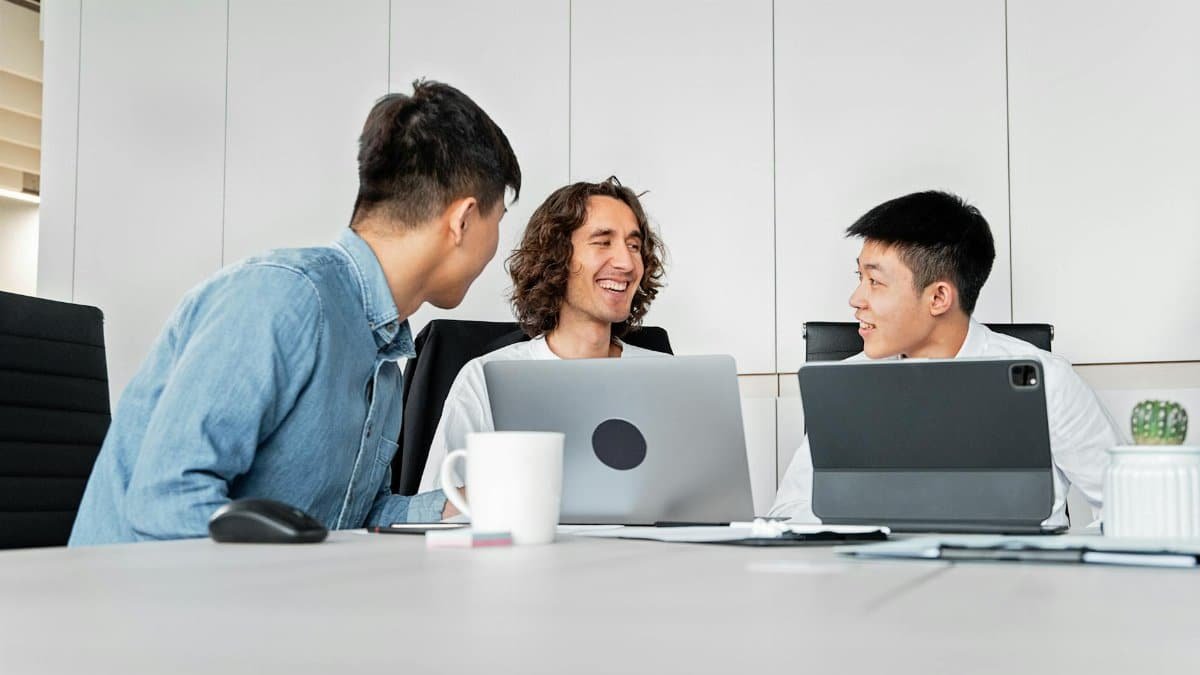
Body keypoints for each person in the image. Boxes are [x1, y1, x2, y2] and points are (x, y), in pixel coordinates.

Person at [70, 80, 521, 544]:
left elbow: (354, 514)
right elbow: (167, 501)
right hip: (137, 604)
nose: (495, 248)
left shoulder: (382, 349)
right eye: (498, 222)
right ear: (463, 220)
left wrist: (466, 502)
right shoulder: (284, 298)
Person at [769, 190, 1122, 527]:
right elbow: (788, 511)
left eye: (875, 282)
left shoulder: (1048, 381)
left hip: (1014, 582)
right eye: (859, 277)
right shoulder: (846, 385)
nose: (856, 299)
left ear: (938, 297)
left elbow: (1128, 507)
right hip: (879, 579)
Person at [419, 177, 667, 491]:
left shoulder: (666, 376)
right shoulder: (486, 378)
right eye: (603, 242)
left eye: (634, 246)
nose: (627, 262)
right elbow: (436, 508)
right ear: (557, 258)